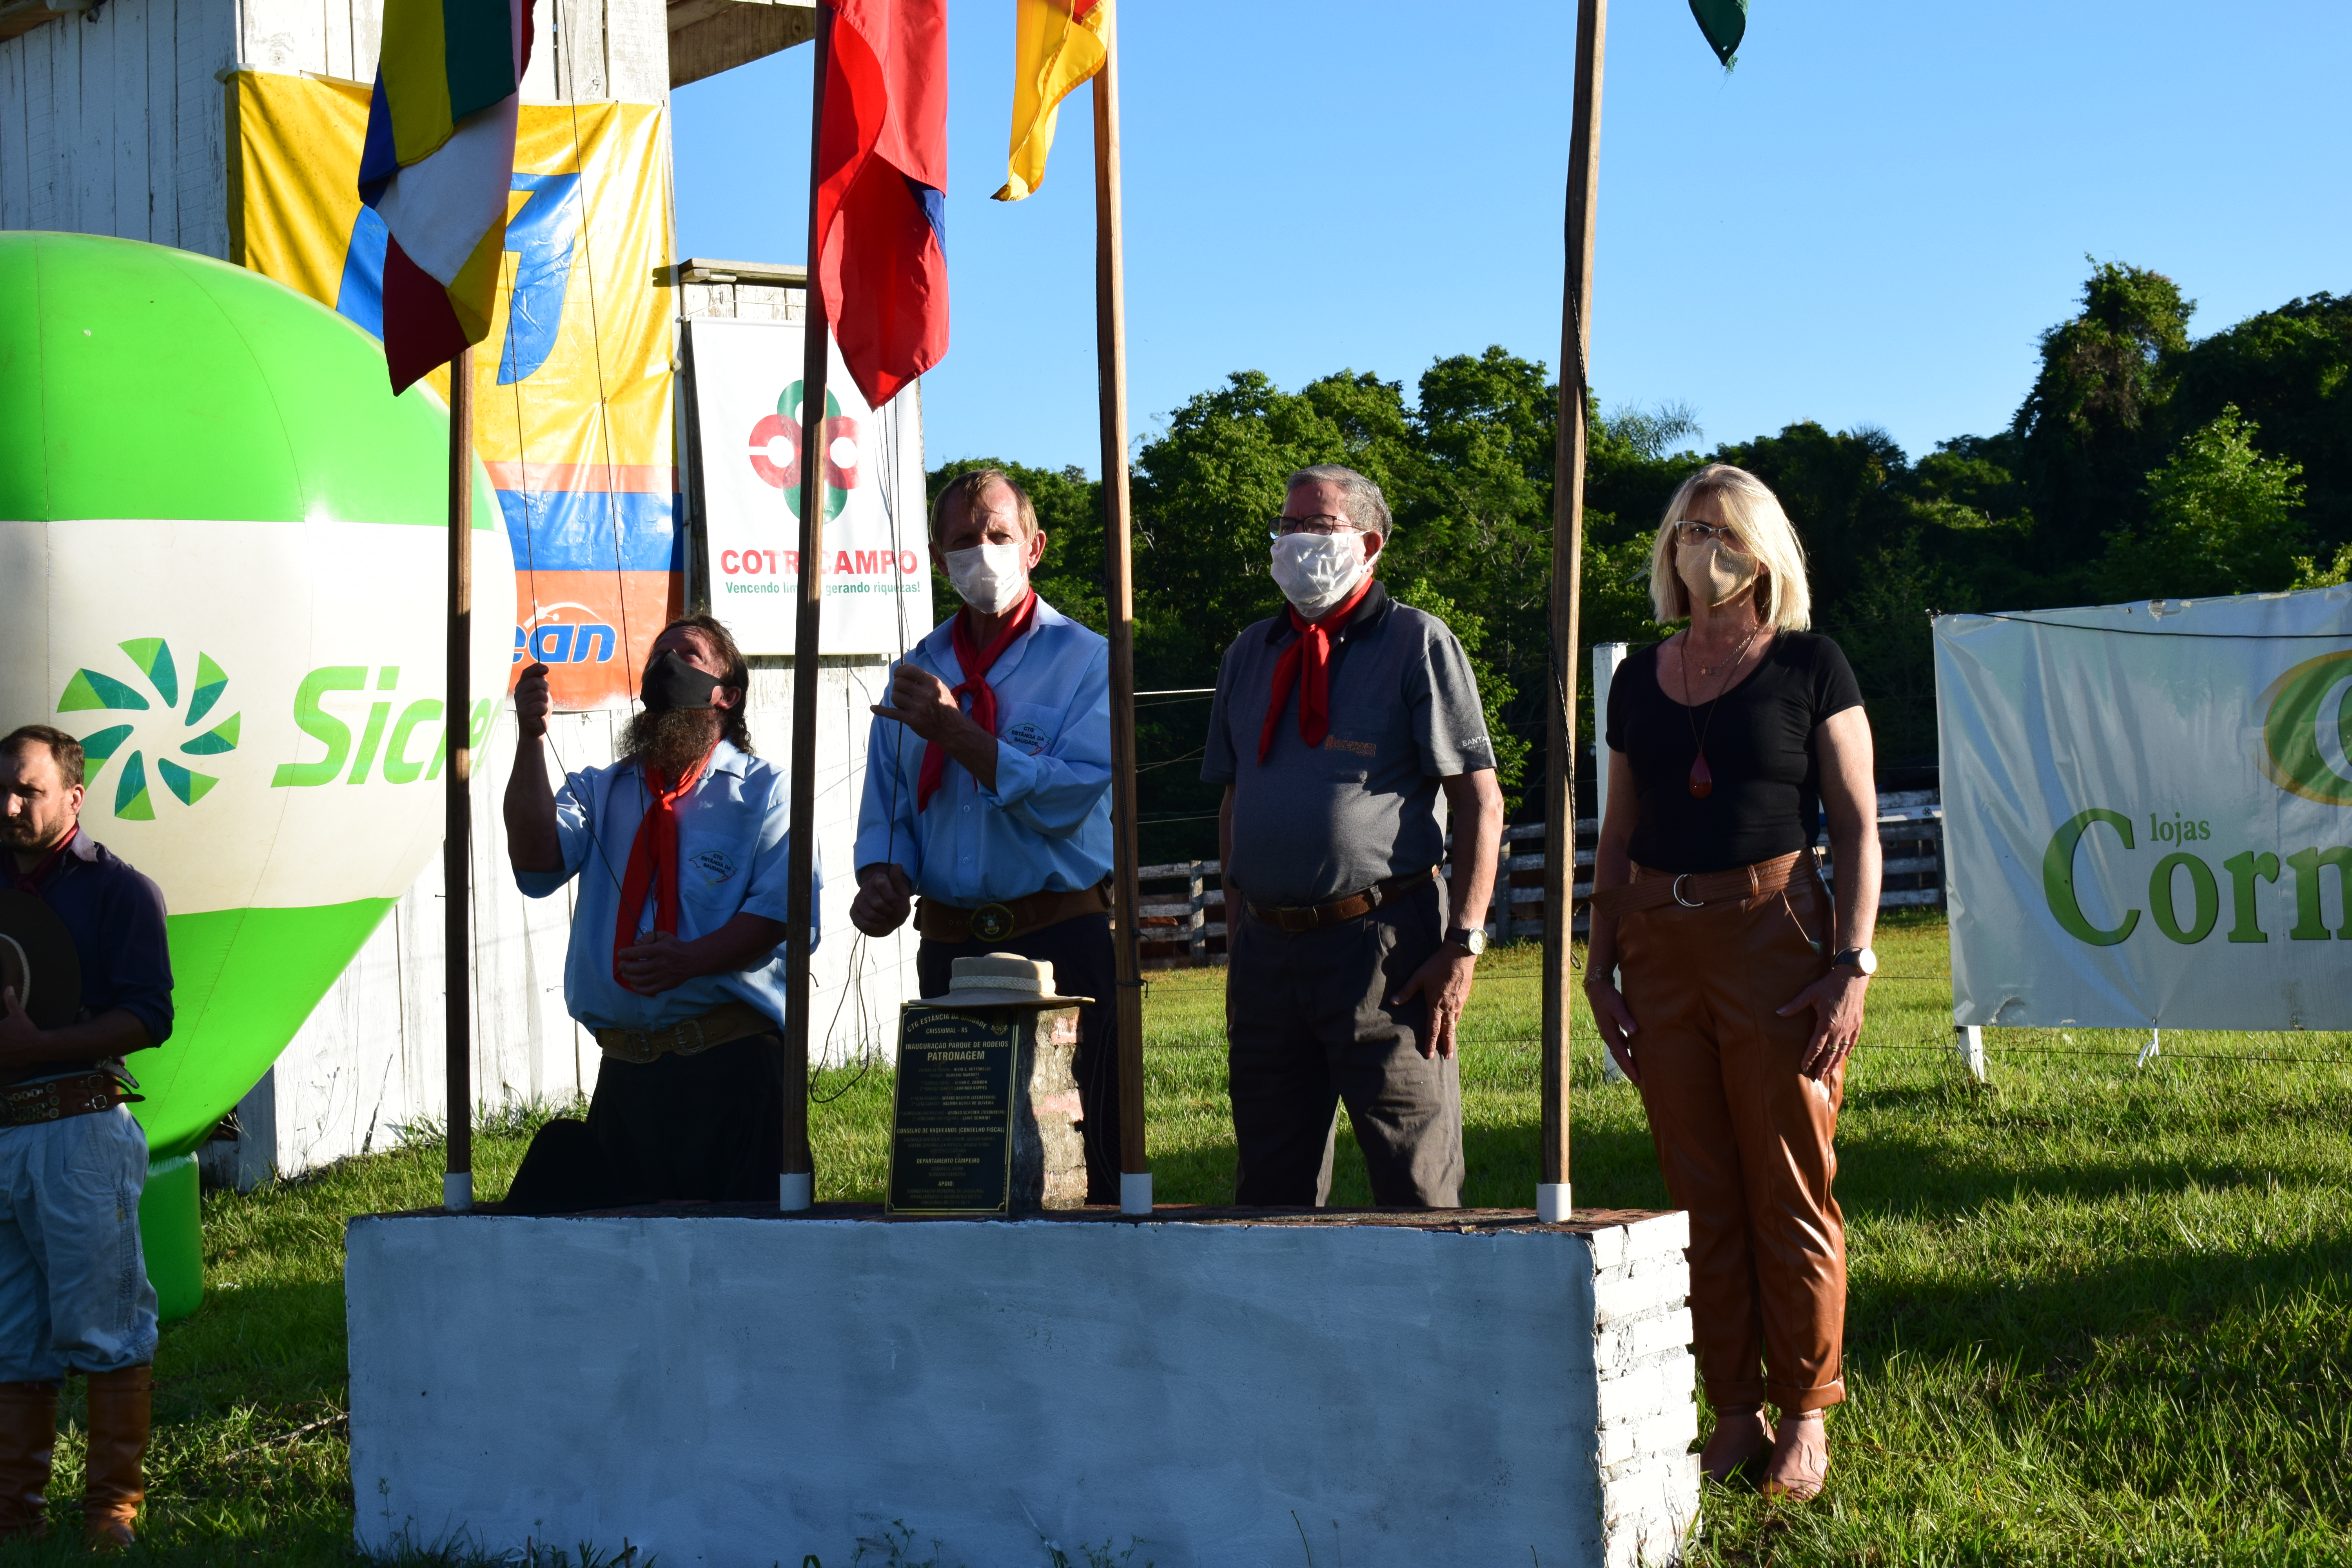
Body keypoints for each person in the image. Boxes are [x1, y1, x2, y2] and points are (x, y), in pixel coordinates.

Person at [1582, 463, 1880, 1501]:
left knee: (1788, 1182)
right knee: (1700, 1187)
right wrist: (1598, 965)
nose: (1695, 548)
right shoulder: (1638, 678)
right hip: (1659, 942)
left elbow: (1856, 824)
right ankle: (1734, 1409)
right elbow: (1617, 832)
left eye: (1717, 530)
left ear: (1761, 550)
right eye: (1681, 531)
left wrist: (1850, 965)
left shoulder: (1812, 666)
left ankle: (1808, 1412)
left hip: (1779, 933)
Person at [1202, 464, 1504, 1209]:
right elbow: (1235, 802)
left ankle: (1428, 1321)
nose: (1296, 540)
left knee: (1414, 1183)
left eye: (1318, 525)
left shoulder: (1416, 642)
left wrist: (1461, 945)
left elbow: (1480, 801)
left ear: (1369, 542)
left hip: (1382, 948)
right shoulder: (1250, 652)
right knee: (1270, 1187)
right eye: (1288, 525)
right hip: (1269, 952)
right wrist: (1239, 939)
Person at [850, 468, 1121, 1201]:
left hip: (1060, 940)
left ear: (1034, 547)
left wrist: (953, 730)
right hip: (952, 948)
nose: (983, 553)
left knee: (1083, 1155)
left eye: (999, 536)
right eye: (964, 540)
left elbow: (1068, 797)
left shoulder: (1088, 659)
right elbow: (892, 806)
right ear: (939, 559)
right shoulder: (919, 667)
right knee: (960, 1169)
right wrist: (882, 874)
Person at [501, 615, 811, 1211]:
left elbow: (783, 914)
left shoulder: (764, 792)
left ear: (728, 694)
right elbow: (536, 858)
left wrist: (690, 962)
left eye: (688, 656)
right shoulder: (601, 789)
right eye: (657, 656)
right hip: (629, 1080)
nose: (666, 666)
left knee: (742, 1267)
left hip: (732, 1075)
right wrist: (531, 738)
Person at [0, 726, 173, 1547]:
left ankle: (112, 1509)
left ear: (73, 795)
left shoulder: (120, 891)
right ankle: (14, 1510)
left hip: (79, 1126)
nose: (8, 804)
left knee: (103, 1321)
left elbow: (149, 1014)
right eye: (1, 788)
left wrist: (40, 1046)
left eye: (27, 790)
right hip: (1, 1132)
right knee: (7, 1330)